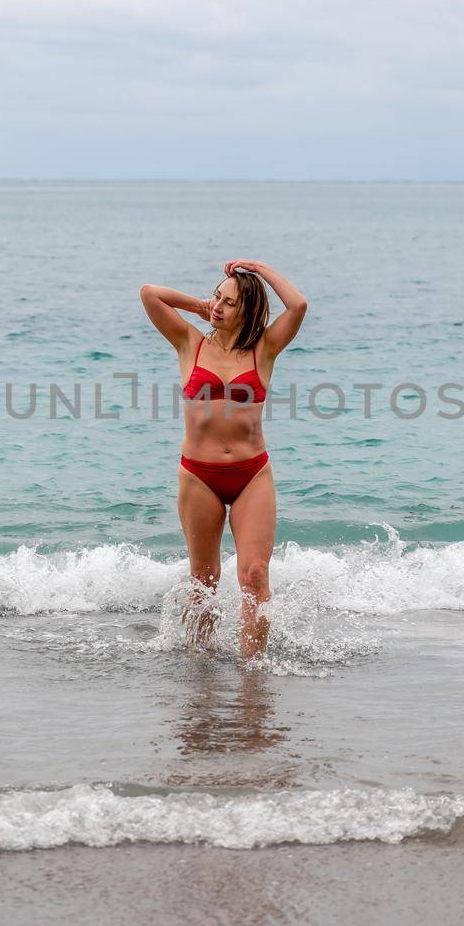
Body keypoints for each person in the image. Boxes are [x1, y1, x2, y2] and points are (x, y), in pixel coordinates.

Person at [139, 260, 308, 657]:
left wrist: (260, 270)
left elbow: (298, 306)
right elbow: (149, 292)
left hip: (252, 475)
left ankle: (255, 674)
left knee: (255, 574)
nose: (218, 307)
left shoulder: (264, 349)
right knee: (204, 579)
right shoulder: (189, 342)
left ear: (247, 311)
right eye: (218, 296)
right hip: (199, 476)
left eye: (229, 303)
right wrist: (199, 305)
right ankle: (199, 668)